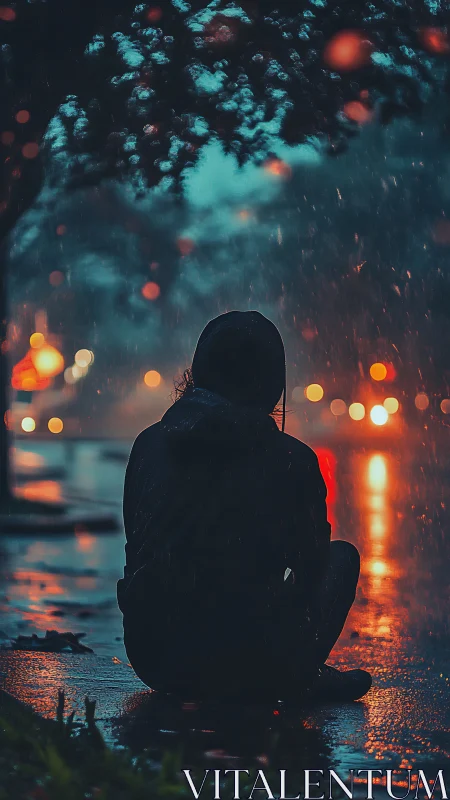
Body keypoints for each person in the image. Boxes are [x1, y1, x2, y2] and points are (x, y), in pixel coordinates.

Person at [117, 311, 371, 703]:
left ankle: (288, 671)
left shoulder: (149, 445)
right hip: (253, 667)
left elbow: (137, 552)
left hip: (155, 658)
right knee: (343, 559)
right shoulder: (292, 459)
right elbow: (311, 572)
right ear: (271, 385)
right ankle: (300, 675)